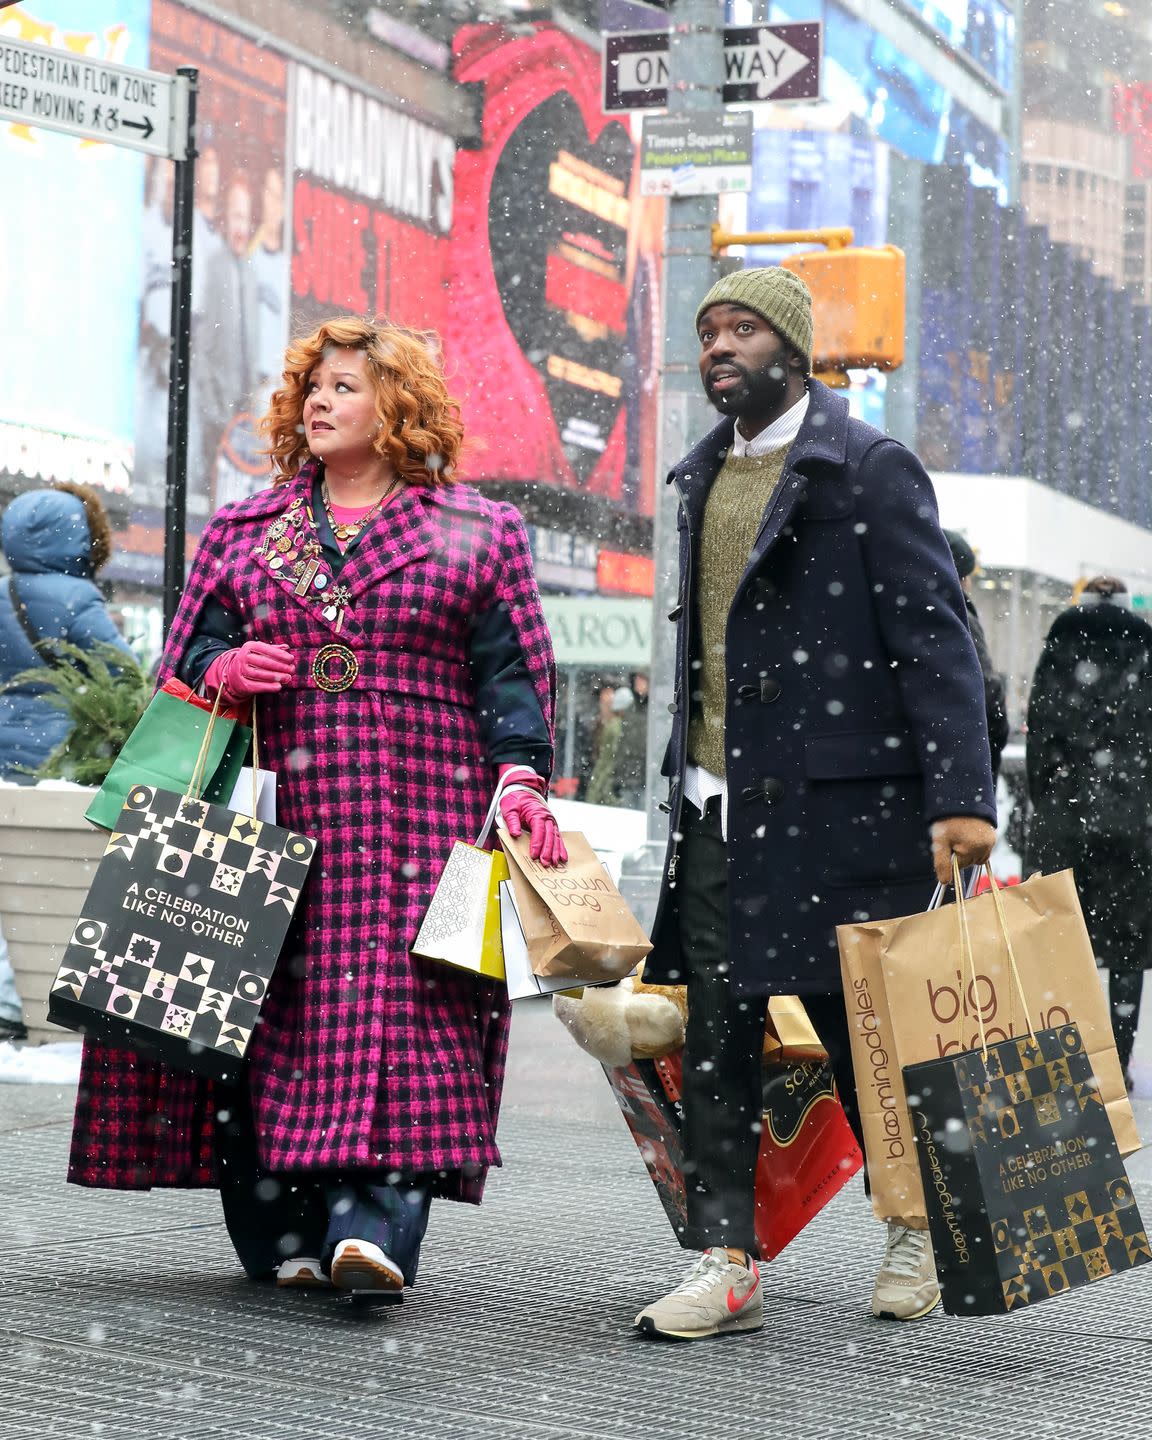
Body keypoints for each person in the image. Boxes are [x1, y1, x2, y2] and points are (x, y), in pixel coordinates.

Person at [68, 316, 564, 1300]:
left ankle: (371, 1225)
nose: (319, 402)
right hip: (271, 806)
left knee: (408, 1013)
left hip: (425, 814)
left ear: (399, 405)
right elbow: (185, 664)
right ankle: (281, 1231)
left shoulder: (481, 531)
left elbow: (515, 682)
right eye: (313, 388)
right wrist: (227, 666)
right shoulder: (253, 531)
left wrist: (521, 780)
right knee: (264, 1009)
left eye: (345, 385)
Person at [636, 267, 997, 1340]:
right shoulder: (700, 475)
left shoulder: (867, 468)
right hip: (714, 804)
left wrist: (961, 797)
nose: (720, 346)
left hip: (840, 809)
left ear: (796, 350)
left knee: (859, 1030)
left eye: (743, 328)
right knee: (717, 1038)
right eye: (708, 330)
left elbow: (937, 640)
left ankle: (919, 1225)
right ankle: (725, 1257)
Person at [0, 483, 133, 1043]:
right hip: (63, 754)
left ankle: (6, 994)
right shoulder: (79, 599)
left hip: (3, 749)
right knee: (55, 878)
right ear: (79, 536)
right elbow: (121, 674)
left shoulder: (5, 594)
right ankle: (36, 1000)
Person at [1025, 576, 1152, 1087]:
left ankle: (1068, 1055)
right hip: (1136, 822)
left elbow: (1039, 733)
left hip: (1067, 817)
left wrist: (1047, 802)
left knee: (1060, 936)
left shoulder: (1060, 642)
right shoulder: (1145, 645)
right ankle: (1117, 1060)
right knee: (1128, 947)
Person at [944, 529, 1010, 779]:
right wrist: (993, 741)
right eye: (968, 576)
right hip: (963, 760)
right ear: (960, 578)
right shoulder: (959, 616)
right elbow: (987, 687)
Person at [586, 685, 633, 806]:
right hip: (619, 778)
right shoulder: (614, 726)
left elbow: (605, 761)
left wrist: (594, 791)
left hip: (618, 778)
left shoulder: (613, 725)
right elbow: (605, 760)